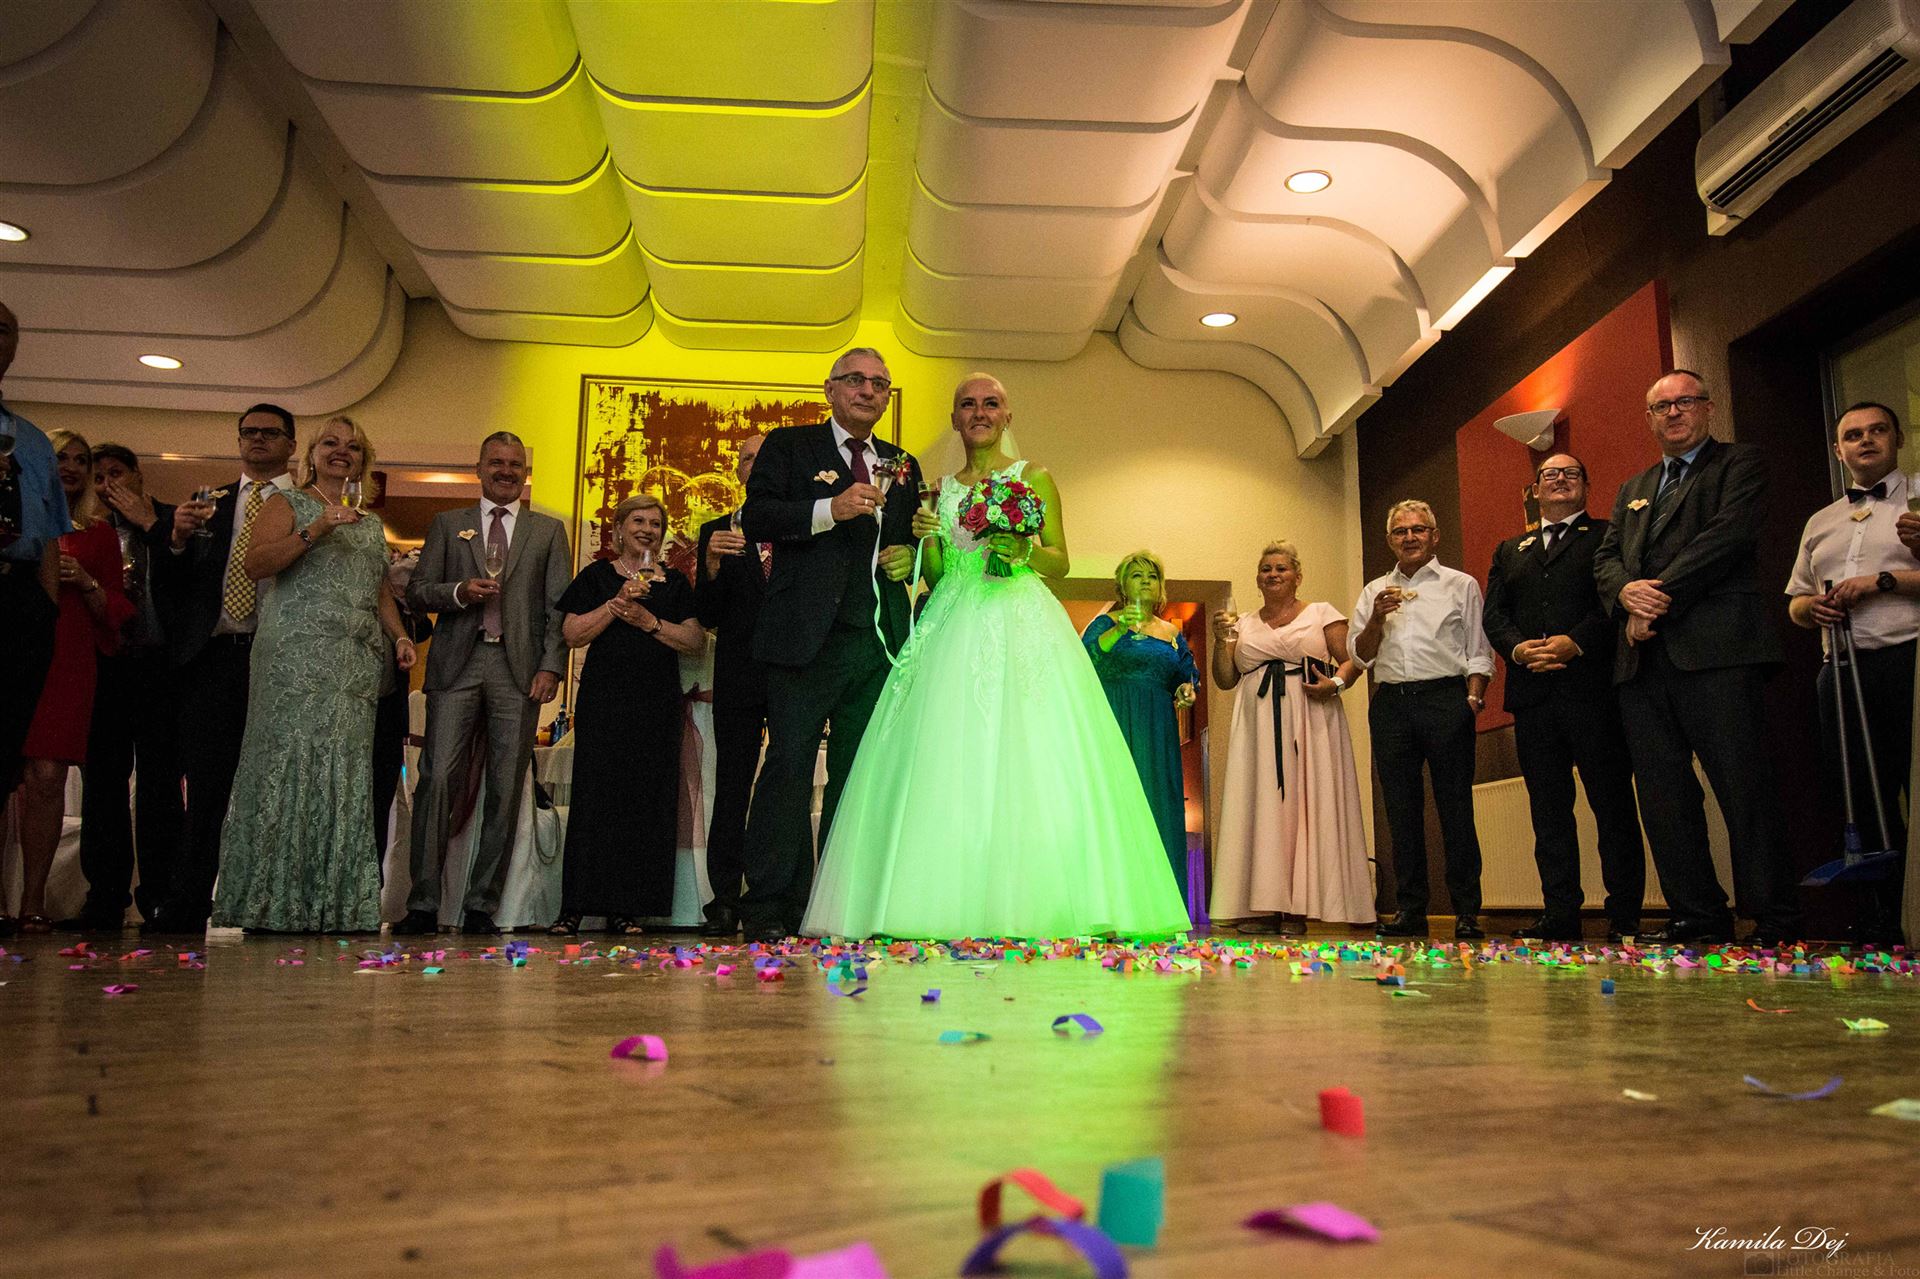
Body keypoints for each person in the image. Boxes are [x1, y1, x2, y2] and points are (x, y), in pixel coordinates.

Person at [799, 373, 1191, 939]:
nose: (979, 412)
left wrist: (1023, 548)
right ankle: (933, 899)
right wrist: (928, 537)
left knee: (1032, 746)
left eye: (991, 404)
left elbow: (1060, 560)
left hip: (1019, 615)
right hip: (952, 618)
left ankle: (1043, 899)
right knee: (945, 748)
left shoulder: (1034, 476)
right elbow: (937, 576)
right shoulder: (939, 488)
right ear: (955, 419)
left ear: (1007, 416)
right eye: (968, 405)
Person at [1594, 370, 1798, 946]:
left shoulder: (1739, 464)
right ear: (1649, 419)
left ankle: (1774, 915)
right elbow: (1606, 558)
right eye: (1661, 407)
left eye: (1684, 402)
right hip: (1642, 664)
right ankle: (1697, 914)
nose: (1674, 413)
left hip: (1719, 652)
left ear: (1707, 408)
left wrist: (1653, 599)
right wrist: (1625, 594)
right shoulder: (1634, 487)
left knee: (1744, 786)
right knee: (1664, 796)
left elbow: (1726, 538)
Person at [735, 348, 921, 942]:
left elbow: (906, 538)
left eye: (880, 384)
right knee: (788, 769)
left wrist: (907, 555)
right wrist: (829, 509)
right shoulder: (789, 446)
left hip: (875, 643)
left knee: (856, 776)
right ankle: (770, 905)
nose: (868, 390)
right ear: (830, 389)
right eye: (856, 380)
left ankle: (840, 904)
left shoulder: (902, 463)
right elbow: (758, 517)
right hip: (802, 640)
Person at [210, 417, 417, 932]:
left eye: (353, 447)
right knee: (286, 767)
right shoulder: (285, 503)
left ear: (364, 460)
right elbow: (255, 564)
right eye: (331, 443)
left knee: (343, 776)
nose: (341, 452)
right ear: (311, 454)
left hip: (353, 666)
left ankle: (335, 904)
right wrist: (316, 528)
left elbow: (378, 591)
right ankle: (271, 902)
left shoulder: (370, 525)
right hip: (294, 660)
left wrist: (400, 637)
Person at [396, 431, 571, 936]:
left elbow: (557, 608)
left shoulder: (547, 531)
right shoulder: (448, 524)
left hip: (519, 670)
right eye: (496, 462)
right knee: (437, 778)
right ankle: (423, 902)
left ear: (524, 473)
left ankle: (481, 905)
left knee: (506, 785)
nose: (505, 471)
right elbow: (418, 591)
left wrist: (551, 667)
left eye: (515, 464)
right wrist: (458, 591)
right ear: (478, 468)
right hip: (458, 663)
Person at [146, 403, 299, 935]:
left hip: (280, 657)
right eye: (248, 432)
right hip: (214, 655)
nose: (257, 439)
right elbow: (174, 584)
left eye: (269, 433)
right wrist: (176, 539)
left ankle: (271, 902)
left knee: (277, 783)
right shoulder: (211, 501)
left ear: (291, 444)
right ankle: (189, 900)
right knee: (206, 784)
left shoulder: (306, 504)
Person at [1483, 455, 1646, 943]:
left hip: (1594, 692)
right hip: (1533, 696)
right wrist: (1518, 649)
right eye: (1549, 475)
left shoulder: (1607, 537)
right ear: (1534, 490)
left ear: (1586, 487)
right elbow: (1495, 616)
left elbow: (1614, 602)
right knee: (1548, 812)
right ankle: (1560, 914)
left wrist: (1576, 642)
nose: (1559, 479)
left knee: (1612, 805)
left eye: (1570, 474)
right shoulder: (1510, 550)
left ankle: (1624, 916)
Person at [1787, 403, 1918, 944]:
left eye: (1877, 431)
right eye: (1853, 435)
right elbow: (1795, 601)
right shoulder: (1820, 521)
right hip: (1841, 668)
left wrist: (1881, 581)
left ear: (1898, 438)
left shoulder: (1918, 498)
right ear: (1838, 450)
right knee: (1861, 796)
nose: (1866, 441)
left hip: (1909, 659)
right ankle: (1883, 918)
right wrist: (1811, 609)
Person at [549, 494, 705, 934]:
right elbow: (572, 634)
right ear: (618, 529)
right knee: (595, 799)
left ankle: (627, 908)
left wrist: (647, 621)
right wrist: (617, 603)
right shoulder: (596, 576)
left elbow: (694, 642)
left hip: (657, 704)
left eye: (655, 524)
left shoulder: (675, 583)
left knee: (645, 802)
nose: (646, 530)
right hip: (605, 701)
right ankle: (575, 906)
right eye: (638, 521)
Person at [1208, 541, 1374, 933]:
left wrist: (1334, 684)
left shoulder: (1322, 614)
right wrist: (1220, 640)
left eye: (1281, 568)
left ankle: (1299, 908)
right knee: (1261, 806)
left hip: (1310, 717)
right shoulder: (1241, 623)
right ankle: (1264, 907)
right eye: (1266, 569)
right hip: (1256, 724)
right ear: (1257, 579)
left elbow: (1353, 661)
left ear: (1298, 576)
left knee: (1304, 802)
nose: (1273, 574)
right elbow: (1225, 678)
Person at [1352, 500, 1494, 940]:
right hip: (1391, 703)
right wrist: (1376, 618)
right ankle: (1410, 910)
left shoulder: (1460, 584)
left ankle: (1466, 911)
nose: (1409, 537)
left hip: (1446, 699)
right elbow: (1361, 656)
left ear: (1434, 536)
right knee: (1401, 812)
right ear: (1390, 540)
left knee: (1456, 808)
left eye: (1418, 529)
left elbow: (1478, 650)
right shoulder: (1374, 590)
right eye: (1400, 531)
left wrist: (1472, 699)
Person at [11, 431, 132, 933]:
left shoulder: (97, 533)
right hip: (14, 652)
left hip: (68, 661)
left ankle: (33, 902)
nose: (72, 467)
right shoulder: (14, 523)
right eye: (61, 457)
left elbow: (118, 611)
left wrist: (85, 581)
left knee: (47, 777)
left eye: (82, 460)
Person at [63, 444, 182, 931]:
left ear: (137, 475)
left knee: (160, 784)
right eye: (98, 477)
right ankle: (104, 896)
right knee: (103, 783)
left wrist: (150, 526)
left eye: (116, 473)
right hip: (106, 664)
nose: (107, 484)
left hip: (161, 665)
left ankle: (160, 895)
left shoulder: (171, 521)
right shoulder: (86, 531)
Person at [0, 302, 68, 937]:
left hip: (19, 595)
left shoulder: (31, 440)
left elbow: (47, 533)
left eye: (5, 331)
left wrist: (44, 611)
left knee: (9, 752)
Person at [1082, 549, 1199, 906]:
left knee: (1156, 803)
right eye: (1137, 575)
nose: (1146, 581)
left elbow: (1186, 675)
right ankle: (1110, 903)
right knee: (1114, 803)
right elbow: (1085, 659)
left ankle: (1159, 904)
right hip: (1113, 720)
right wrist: (1119, 629)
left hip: (1157, 728)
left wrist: (1186, 690)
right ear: (1121, 585)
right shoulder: (1104, 623)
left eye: (1152, 576)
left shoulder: (1171, 632)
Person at [694, 432, 769, 937]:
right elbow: (706, 614)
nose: (755, 466)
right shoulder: (715, 530)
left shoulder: (803, 526)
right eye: (746, 458)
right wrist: (712, 566)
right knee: (732, 785)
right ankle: (723, 899)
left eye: (765, 458)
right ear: (737, 471)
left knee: (783, 784)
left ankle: (773, 896)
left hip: (791, 672)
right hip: (737, 672)